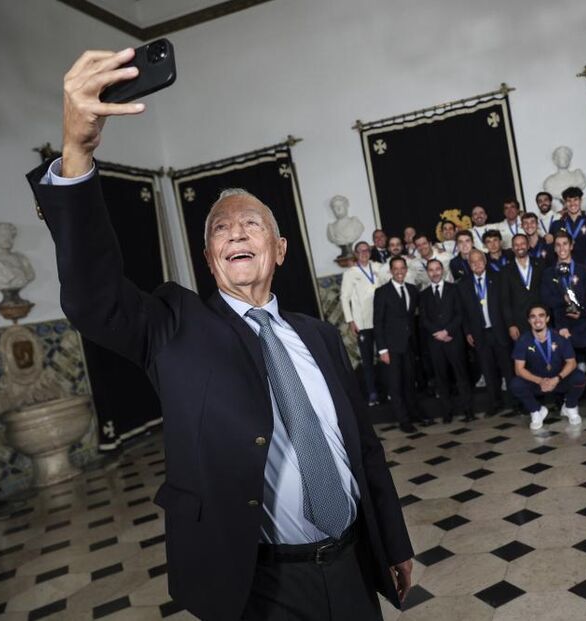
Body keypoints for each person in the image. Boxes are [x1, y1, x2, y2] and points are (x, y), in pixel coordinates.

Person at [36, 48, 412, 621]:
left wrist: (392, 543)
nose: (235, 230)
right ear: (211, 257)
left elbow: (363, 447)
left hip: (353, 562)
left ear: (279, 249)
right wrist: (77, 153)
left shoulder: (319, 336)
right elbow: (95, 299)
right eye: (220, 228)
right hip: (260, 586)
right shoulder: (176, 328)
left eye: (251, 223)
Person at [374, 257, 432, 431]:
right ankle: (403, 420)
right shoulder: (382, 292)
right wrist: (382, 349)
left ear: (406, 269)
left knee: (409, 381)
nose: (399, 271)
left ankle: (414, 413)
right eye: (396, 268)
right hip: (391, 347)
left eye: (402, 268)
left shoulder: (413, 290)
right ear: (391, 271)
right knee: (396, 384)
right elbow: (378, 322)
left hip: (409, 345)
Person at [509, 303, 586, 430]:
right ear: (529, 320)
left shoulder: (560, 337)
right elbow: (519, 369)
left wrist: (557, 379)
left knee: (579, 377)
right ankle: (536, 411)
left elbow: (572, 363)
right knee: (516, 384)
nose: (537, 320)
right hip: (537, 382)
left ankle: (570, 407)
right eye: (533, 317)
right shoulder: (523, 340)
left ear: (547, 318)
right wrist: (540, 381)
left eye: (541, 316)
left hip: (559, 380)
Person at [458, 249, 515, 416]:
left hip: (500, 331)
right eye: (473, 262)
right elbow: (463, 312)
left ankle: (515, 403)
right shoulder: (463, 284)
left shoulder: (497, 278)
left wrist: (510, 325)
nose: (476, 264)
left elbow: (506, 304)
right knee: (488, 371)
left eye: (479, 260)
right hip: (479, 333)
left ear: (485, 261)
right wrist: (467, 332)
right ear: (469, 265)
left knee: (507, 369)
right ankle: (495, 403)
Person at [419, 259, 473, 422]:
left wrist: (447, 331)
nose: (435, 273)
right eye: (431, 270)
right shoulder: (424, 294)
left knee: (461, 376)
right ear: (427, 272)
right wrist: (438, 333)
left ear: (442, 270)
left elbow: (459, 314)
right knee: (441, 378)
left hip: (453, 338)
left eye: (437, 269)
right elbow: (424, 319)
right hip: (435, 342)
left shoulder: (454, 289)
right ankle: (447, 412)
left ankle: (468, 410)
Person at [340, 241, 389, 406]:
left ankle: (389, 390)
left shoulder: (378, 267)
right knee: (367, 361)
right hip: (363, 323)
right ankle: (373, 393)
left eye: (366, 250)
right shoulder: (351, 272)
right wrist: (350, 321)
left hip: (381, 320)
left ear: (370, 251)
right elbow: (344, 298)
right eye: (360, 251)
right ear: (355, 253)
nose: (364, 253)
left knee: (385, 357)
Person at [540, 232, 586, 363]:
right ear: (554, 248)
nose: (562, 248)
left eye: (565, 244)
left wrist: (581, 312)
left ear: (571, 246)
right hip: (561, 325)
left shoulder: (583, 270)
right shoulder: (548, 273)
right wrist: (564, 300)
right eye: (558, 245)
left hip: (585, 324)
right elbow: (545, 298)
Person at [501, 233, 545, 343]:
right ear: (512, 248)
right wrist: (511, 325)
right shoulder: (505, 270)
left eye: (522, 244)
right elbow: (505, 301)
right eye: (516, 245)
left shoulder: (541, 264)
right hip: (519, 323)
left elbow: (547, 292)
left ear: (528, 245)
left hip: (541, 319)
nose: (519, 247)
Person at [549, 186, 586, 263]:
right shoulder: (556, 225)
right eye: (569, 201)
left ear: (580, 200)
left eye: (575, 200)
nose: (572, 204)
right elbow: (553, 250)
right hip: (565, 267)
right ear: (565, 203)